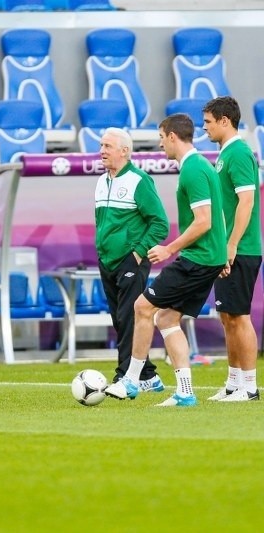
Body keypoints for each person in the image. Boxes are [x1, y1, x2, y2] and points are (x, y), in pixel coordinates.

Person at [105, 113, 227, 407]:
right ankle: (185, 392)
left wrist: (169, 249)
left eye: (161, 138)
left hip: (197, 258)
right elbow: (217, 215)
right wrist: (222, 254)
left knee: (142, 307)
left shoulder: (193, 170)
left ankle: (131, 381)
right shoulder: (200, 166)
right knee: (167, 317)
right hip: (209, 257)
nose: (160, 145)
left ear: (173, 137)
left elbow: (204, 221)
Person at [94, 127, 169, 391]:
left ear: (124, 151)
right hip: (107, 261)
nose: (102, 151)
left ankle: (125, 376)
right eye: (101, 146)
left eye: (107, 146)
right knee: (119, 319)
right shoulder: (102, 180)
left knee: (128, 317)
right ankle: (148, 375)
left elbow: (160, 223)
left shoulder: (139, 181)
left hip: (130, 260)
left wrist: (137, 252)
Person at [202, 96, 262, 401]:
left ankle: (249, 387)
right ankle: (233, 383)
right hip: (226, 247)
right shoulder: (226, 153)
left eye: (209, 122)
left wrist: (232, 244)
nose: (205, 128)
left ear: (225, 121)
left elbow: (247, 202)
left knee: (239, 316)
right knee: (226, 316)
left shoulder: (238, 153)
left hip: (241, 248)